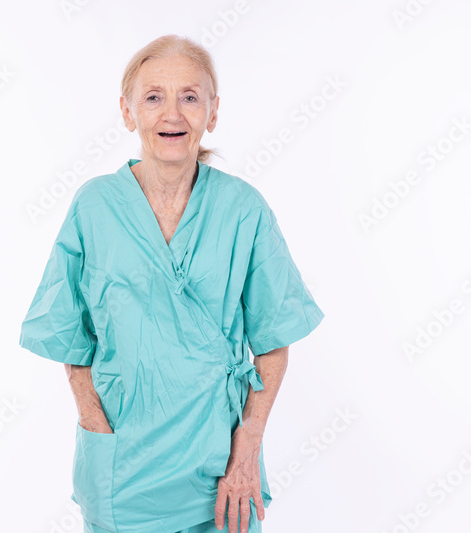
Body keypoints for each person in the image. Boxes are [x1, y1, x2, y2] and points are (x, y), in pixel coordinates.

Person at [18, 34, 324, 533]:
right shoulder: (94, 207)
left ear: (213, 111)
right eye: (154, 97)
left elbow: (274, 341)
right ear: (127, 111)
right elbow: (68, 334)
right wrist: (94, 422)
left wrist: (247, 448)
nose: (172, 114)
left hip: (221, 470)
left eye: (190, 97)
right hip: (122, 465)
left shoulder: (243, 210)